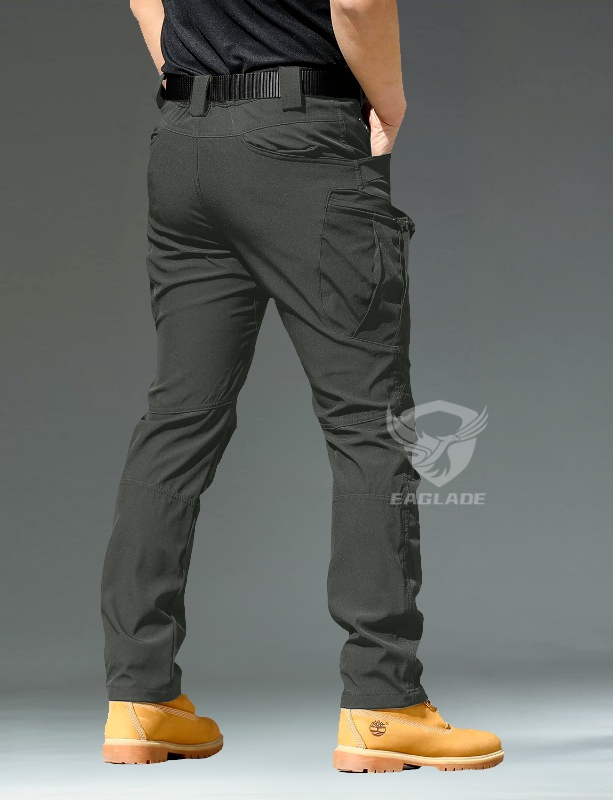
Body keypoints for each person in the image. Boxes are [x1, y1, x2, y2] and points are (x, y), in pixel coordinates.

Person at [100, 0, 504, 773]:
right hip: (300, 140)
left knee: (178, 419)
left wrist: (192, 76)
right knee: (370, 424)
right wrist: (389, 101)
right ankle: (383, 703)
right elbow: (356, 1)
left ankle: (140, 698)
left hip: (183, 143)